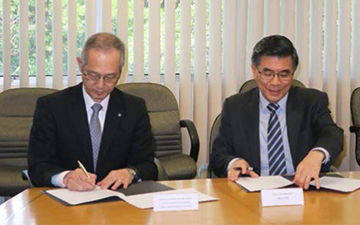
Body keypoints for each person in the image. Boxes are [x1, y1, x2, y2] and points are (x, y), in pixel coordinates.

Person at [210, 35, 343, 189]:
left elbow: (333, 134)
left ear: (293, 73)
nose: (275, 82)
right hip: (254, 192)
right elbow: (218, 155)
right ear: (254, 71)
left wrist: (316, 155)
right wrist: (233, 163)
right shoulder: (235, 106)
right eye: (267, 73)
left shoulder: (312, 101)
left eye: (284, 74)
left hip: (302, 189)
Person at [28, 32, 158, 191]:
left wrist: (130, 173)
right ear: (80, 64)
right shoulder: (51, 107)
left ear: (120, 71)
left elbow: (147, 166)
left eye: (110, 77)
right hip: (66, 200)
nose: (101, 85)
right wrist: (65, 177)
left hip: (117, 202)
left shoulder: (134, 108)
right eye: (93, 75)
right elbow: (37, 167)